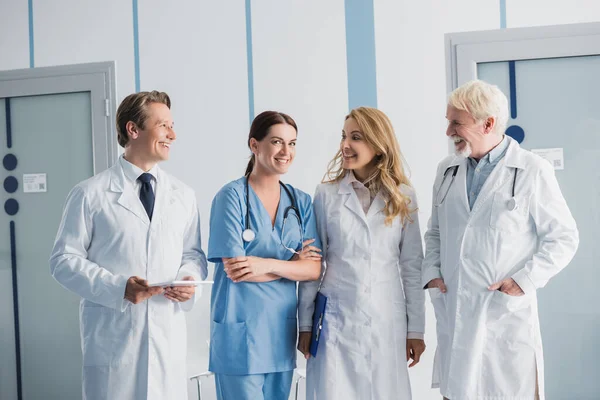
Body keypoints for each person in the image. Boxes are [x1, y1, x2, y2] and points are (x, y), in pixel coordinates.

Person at [422, 79, 579, 400]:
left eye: (456, 122)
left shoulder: (532, 170)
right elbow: (435, 231)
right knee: (458, 391)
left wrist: (523, 281)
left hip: (503, 315)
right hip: (455, 307)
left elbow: (563, 237)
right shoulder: (447, 170)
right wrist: (432, 275)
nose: (448, 131)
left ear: (488, 123)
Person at [49, 91, 208, 400]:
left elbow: (193, 254)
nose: (172, 135)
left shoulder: (183, 195)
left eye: (172, 126)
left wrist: (190, 280)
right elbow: (63, 260)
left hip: (166, 334)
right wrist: (118, 287)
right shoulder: (90, 194)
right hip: (115, 336)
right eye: (163, 126)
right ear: (133, 130)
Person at [298, 107, 426, 399]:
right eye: (344, 136)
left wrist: (416, 329)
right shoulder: (326, 194)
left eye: (356, 137)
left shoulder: (403, 195)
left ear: (378, 145)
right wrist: (305, 324)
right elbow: (313, 264)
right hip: (335, 320)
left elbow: (412, 266)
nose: (345, 145)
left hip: (386, 318)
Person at [207, 110, 322, 400]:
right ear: (254, 145)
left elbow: (313, 270)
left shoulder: (301, 201)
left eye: (293, 143)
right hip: (240, 335)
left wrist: (264, 264)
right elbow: (237, 270)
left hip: (279, 334)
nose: (286, 151)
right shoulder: (231, 197)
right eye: (277, 142)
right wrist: (291, 266)